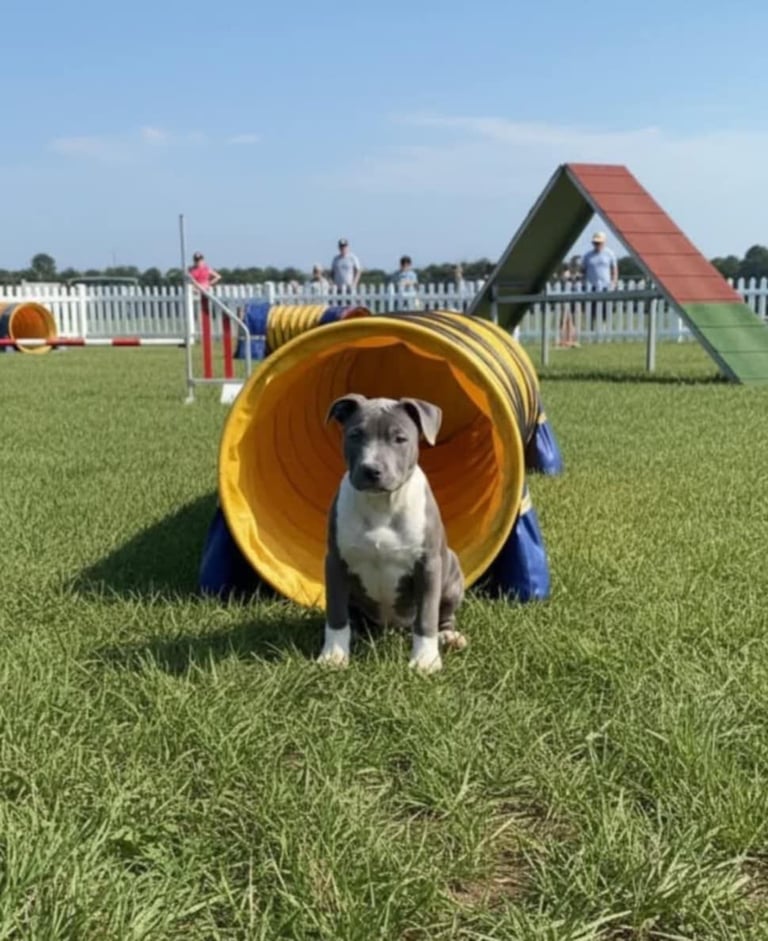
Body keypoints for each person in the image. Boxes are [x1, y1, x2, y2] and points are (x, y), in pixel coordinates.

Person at [580, 231, 617, 332]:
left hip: (606, 286)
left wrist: (614, 282)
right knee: (591, 310)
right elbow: (583, 270)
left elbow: (614, 269)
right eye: (595, 243)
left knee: (605, 310)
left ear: (604, 242)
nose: (597, 245)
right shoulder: (587, 256)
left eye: (599, 243)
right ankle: (591, 328)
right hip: (592, 286)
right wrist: (583, 283)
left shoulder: (610, 254)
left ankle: (604, 329)